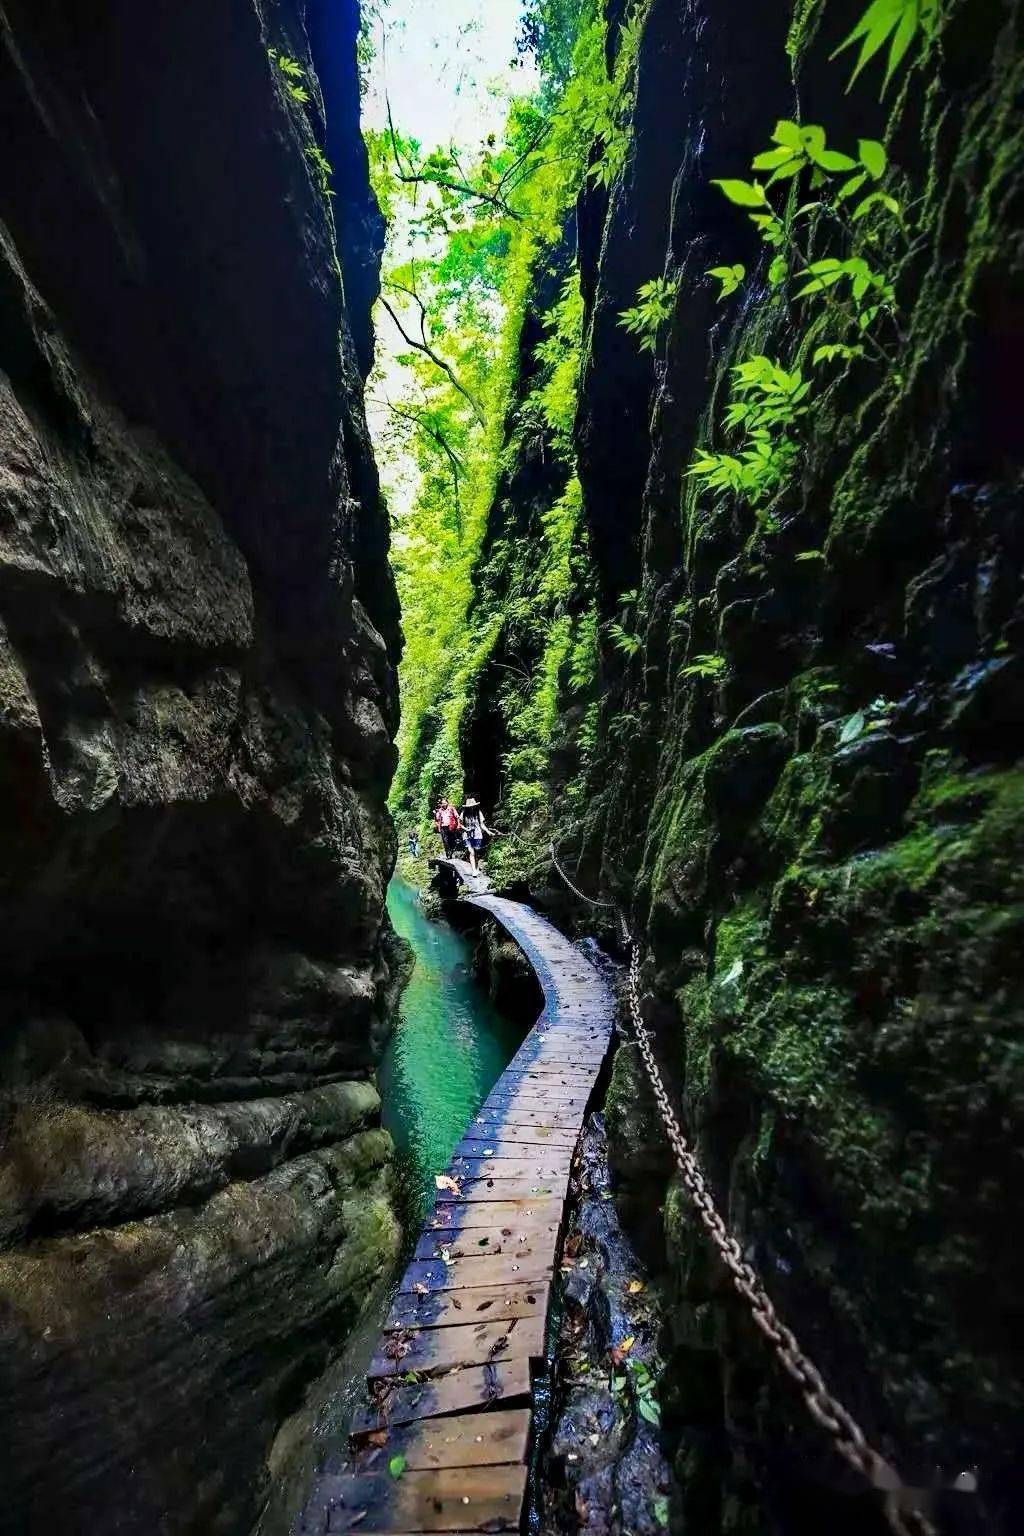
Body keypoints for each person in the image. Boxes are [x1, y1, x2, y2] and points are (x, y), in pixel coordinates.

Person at [460, 794, 494, 873]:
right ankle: (474, 870)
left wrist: (488, 831)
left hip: (477, 834)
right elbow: (460, 824)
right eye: (470, 806)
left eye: (472, 806)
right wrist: (465, 829)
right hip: (467, 835)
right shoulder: (464, 813)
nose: (471, 807)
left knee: (476, 851)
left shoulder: (478, 813)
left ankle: (476, 866)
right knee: (471, 852)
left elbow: (482, 825)